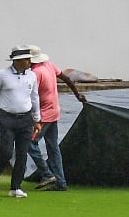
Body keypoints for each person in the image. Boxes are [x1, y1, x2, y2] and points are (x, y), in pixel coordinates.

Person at [24, 45, 87, 191]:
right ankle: (61, 181)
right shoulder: (49, 65)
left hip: (44, 115)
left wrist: (33, 117)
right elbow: (66, 78)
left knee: (29, 142)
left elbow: (31, 97)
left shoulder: (35, 73)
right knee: (53, 148)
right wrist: (77, 94)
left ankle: (47, 174)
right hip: (54, 111)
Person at [0, 46, 42, 198]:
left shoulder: (32, 76)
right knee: (7, 152)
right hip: (7, 117)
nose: (30, 62)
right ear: (17, 61)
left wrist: (37, 119)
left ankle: (15, 187)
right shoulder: (2, 75)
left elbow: (35, 97)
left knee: (22, 154)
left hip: (26, 118)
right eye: (27, 59)